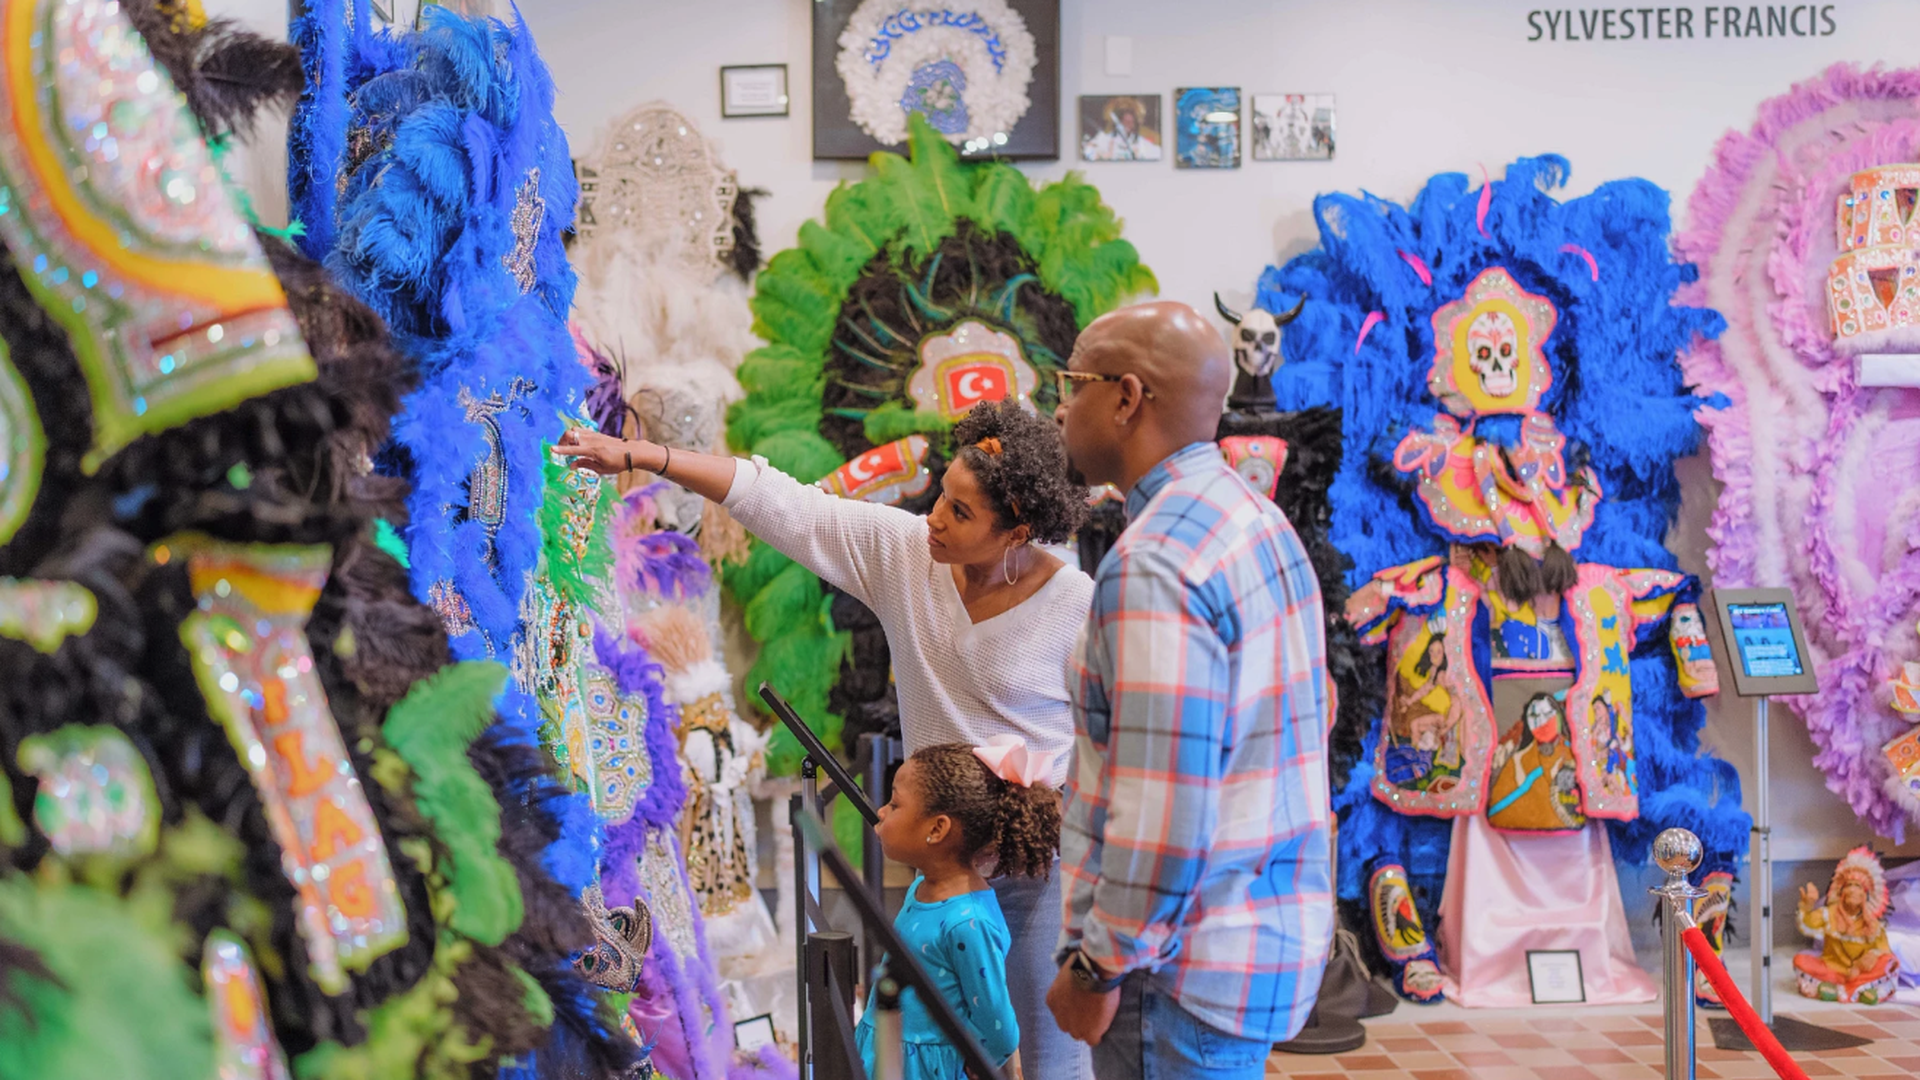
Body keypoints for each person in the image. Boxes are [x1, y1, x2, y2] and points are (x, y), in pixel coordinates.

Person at [558, 399, 1095, 1078]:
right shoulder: (907, 555)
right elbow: (778, 500)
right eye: (941, 496)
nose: (934, 517)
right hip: (942, 870)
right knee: (935, 1057)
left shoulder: (1075, 603)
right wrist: (642, 456)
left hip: (1038, 871)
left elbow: (1109, 743)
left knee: (1048, 1060)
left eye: (961, 514)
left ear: (1018, 531)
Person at [1043, 300, 1334, 1079]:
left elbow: (1164, 812)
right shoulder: (1252, 516)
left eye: (1070, 382)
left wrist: (1096, 969)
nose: (1061, 406)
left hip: (1171, 977)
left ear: (1127, 398)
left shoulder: (1157, 560)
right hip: (1252, 941)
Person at [853, 739, 1061, 1079]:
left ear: (937, 829)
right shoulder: (922, 888)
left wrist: (966, 1067)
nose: (881, 811)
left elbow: (999, 1028)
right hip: (887, 1048)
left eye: (894, 804)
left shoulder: (968, 922)